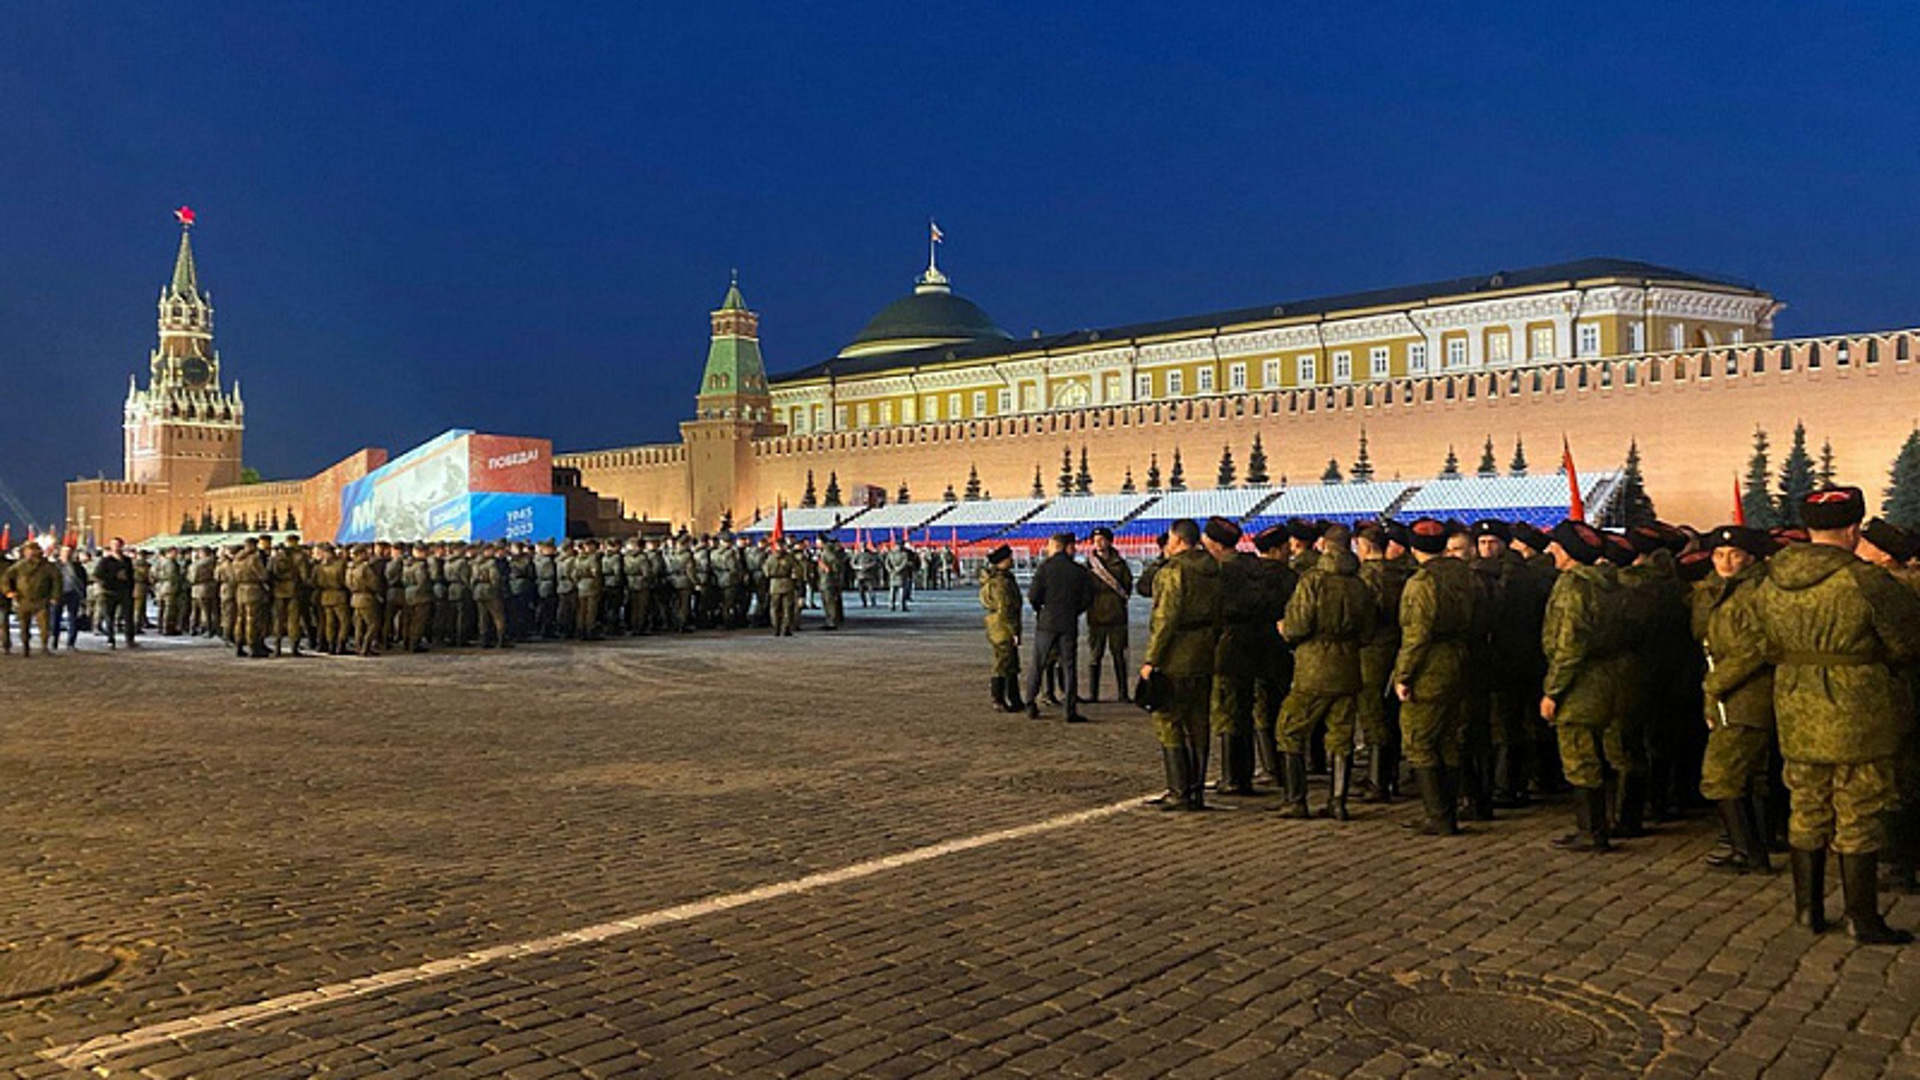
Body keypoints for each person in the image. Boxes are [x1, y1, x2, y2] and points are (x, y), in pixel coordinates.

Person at [1752, 487, 1920, 943]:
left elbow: (1763, 643)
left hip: (1794, 707)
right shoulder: (1866, 581)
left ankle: (1808, 912)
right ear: (1851, 529)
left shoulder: (1770, 580)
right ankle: (1861, 918)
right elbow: (1908, 642)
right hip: (1858, 711)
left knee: (1805, 807)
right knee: (1859, 810)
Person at [1539, 520, 1631, 852]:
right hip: (1608, 677)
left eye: (1557, 547)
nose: (1551, 551)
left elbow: (1569, 646)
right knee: (1597, 752)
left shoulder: (1572, 587)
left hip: (1580, 683)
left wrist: (1553, 692)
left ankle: (1591, 830)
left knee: (1580, 756)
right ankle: (1599, 824)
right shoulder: (1610, 582)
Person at [1690, 524, 1777, 874]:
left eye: (1735, 555)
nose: (1725, 562)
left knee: (1721, 773)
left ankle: (1748, 850)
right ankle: (1751, 842)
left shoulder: (1755, 593)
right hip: (1729, 691)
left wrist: (1714, 685)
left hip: (1744, 693)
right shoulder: (1720, 591)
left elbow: (1752, 649)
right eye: (1719, 555)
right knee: (1746, 773)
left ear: (1750, 558)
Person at [1277, 523, 1374, 819]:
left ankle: (1296, 800)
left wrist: (1285, 630)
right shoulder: (1359, 584)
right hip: (1348, 666)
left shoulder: (1312, 581)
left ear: (1323, 545)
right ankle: (1338, 801)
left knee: (1289, 729)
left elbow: (1298, 626)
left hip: (1314, 666)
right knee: (1341, 734)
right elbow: (1368, 631)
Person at [1393, 518, 1477, 836]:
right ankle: (1451, 808)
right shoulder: (1464, 574)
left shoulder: (1422, 582)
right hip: (1460, 658)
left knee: (1419, 739)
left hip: (1431, 664)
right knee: (1449, 738)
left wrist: (1404, 675)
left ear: (1414, 548)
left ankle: (1438, 814)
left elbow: (1417, 635)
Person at [1140, 519, 1223, 810]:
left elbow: (1166, 619)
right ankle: (1197, 790)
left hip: (1177, 653)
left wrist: (1152, 660)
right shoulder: (1213, 568)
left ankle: (1179, 789)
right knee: (1199, 721)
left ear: (1176, 540)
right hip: (1205, 651)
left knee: (1168, 719)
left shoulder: (1174, 571)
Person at [1023, 532, 1094, 722]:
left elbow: (1033, 596)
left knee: (1038, 663)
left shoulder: (1045, 568)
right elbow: (1088, 598)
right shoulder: (1078, 570)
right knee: (1069, 666)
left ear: (1055, 546)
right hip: (1068, 622)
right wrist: (1074, 611)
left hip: (1047, 622)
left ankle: (1030, 703)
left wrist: (1042, 610)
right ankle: (1069, 710)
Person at [1083, 527, 1134, 703]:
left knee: (1119, 655)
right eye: (1095, 539)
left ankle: (1123, 693)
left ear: (1109, 541)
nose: (1098, 542)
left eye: (1102, 539)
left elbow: (1127, 586)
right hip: (1096, 616)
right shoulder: (1088, 564)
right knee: (1095, 656)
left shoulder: (1120, 563)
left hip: (1117, 616)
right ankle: (1093, 694)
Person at [979, 544, 1024, 712]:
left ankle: (1013, 698)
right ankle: (999, 699)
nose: (1012, 561)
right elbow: (1006, 608)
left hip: (997, 625)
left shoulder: (1001, 579)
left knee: (1010, 662)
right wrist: (1014, 631)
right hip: (1003, 627)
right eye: (1008, 558)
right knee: (1003, 663)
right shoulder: (1001, 582)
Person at [3, 542, 61, 656]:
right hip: (23, 599)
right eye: (29, 551)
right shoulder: (19, 566)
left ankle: (44, 646)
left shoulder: (48, 566)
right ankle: (25, 646)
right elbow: (6, 577)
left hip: (42, 600)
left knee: (44, 625)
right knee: (24, 625)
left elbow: (57, 581)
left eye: (34, 550)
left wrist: (55, 596)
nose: (31, 553)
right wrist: (8, 591)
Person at [94, 537, 139, 650]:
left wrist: (132, 589)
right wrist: (114, 577)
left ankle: (130, 639)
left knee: (128, 616)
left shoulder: (127, 560)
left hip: (125, 592)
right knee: (110, 616)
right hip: (110, 592)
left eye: (118, 545)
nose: (116, 547)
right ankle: (111, 639)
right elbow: (97, 575)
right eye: (114, 545)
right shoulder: (105, 561)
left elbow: (131, 576)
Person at [54, 544, 88, 651]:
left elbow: (83, 581)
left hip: (74, 594)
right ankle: (54, 641)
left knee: (73, 618)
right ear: (60, 553)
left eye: (69, 552)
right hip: (58, 594)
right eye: (64, 551)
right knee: (55, 619)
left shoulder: (78, 567)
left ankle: (71, 643)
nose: (67, 554)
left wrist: (83, 595)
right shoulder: (54, 566)